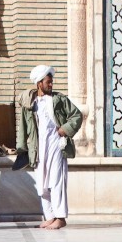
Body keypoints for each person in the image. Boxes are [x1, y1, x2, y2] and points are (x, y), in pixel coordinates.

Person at [17, 65, 83, 230]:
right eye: (48, 82)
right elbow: (23, 127)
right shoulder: (30, 103)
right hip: (38, 147)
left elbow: (77, 115)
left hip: (56, 144)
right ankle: (50, 216)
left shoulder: (59, 99)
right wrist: (21, 148)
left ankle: (60, 217)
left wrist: (65, 129)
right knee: (42, 182)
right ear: (39, 83)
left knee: (56, 180)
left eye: (51, 81)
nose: (51, 84)